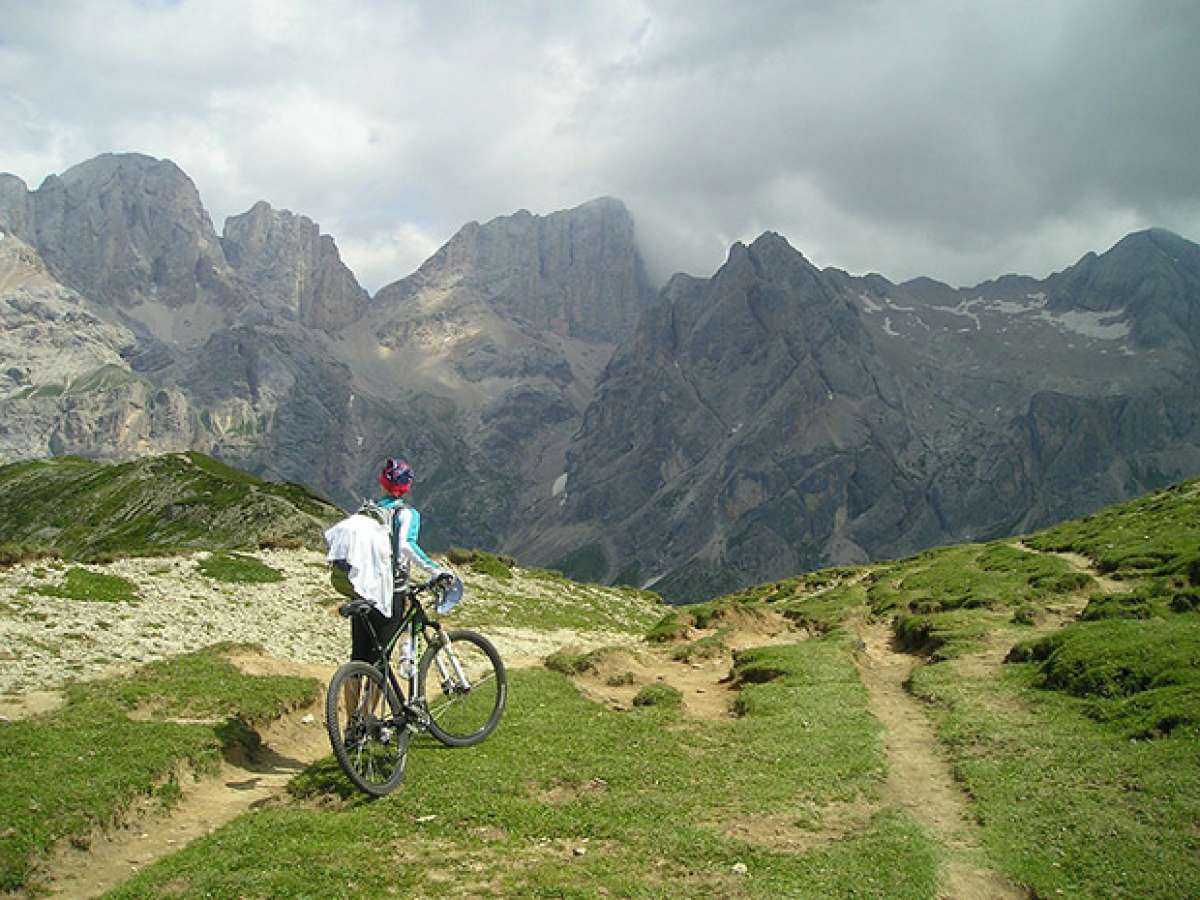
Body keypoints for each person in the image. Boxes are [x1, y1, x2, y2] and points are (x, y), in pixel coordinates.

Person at [347, 457, 452, 664]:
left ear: (383, 482)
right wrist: (436, 571)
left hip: (362, 588)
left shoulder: (368, 510)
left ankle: (343, 695)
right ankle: (378, 694)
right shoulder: (407, 514)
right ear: (407, 485)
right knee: (380, 660)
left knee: (357, 657)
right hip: (390, 592)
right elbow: (407, 545)